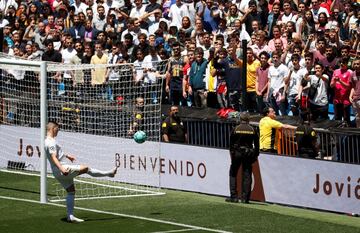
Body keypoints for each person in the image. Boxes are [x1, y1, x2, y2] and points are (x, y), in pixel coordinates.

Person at [45, 121, 117, 223]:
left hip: (56, 172)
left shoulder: (47, 141)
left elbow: (56, 154)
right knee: (86, 168)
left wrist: (67, 156)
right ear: (53, 128)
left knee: (71, 192)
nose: (58, 131)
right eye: (57, 129)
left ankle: (70, 216)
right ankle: (109, 173)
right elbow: (53, 157)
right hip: (62, 169)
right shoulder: (51, 141)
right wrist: (62, 169)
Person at [226, 112, 259, 204]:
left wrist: (232, 154)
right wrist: (255, 155)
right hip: (248, 153)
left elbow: (231, 144)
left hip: (237, 153)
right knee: (247, 175)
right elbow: (257, 145)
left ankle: (234, 197)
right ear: (248, 119)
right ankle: (245, 199)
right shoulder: (253, 129)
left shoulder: (235, 128)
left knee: (233, 173)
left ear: (240, 119)